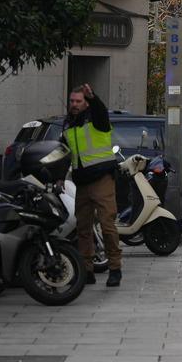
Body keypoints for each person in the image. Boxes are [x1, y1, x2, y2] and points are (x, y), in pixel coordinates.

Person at [64, 84, 122, 287]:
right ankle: (86, 270)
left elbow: (101, 111)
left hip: (102, 179)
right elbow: (66, 153)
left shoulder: (97, 119)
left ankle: (115, 268)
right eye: (72, 101)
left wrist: (94, 97)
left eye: (78, 101)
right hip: (81, 182)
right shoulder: (69, 124)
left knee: (107, 225)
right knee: (83, 229)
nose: (74, 104)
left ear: (86, 102)